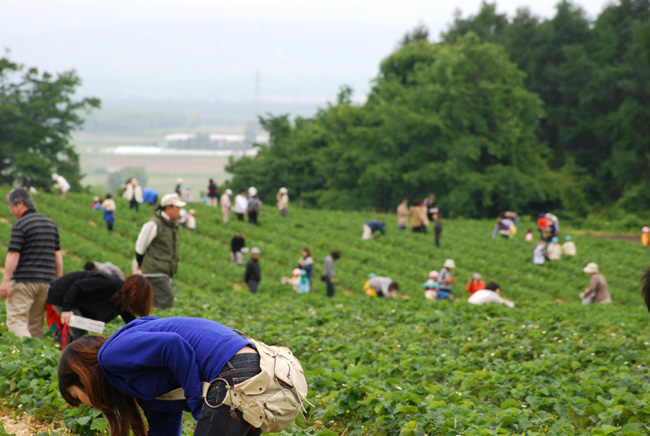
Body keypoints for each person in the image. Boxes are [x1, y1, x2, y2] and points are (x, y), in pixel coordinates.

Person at [57, 316, 299, 436]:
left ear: (83, 377)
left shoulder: (110, 356)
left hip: (233, 374)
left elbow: (173, 346)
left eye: (78, 398)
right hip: (255, 369)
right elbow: (165, 426)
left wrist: (198, 407)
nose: (86, 405)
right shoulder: (139, 384)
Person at [1, 187, 63, 338]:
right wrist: (58, 281)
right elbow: (58, 256)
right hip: (46, 283)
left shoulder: (21, 224)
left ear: (21, 204)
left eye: (11, 206)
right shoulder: (50, 223)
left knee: (17, 321)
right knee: (35, 324)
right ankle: (34, 356)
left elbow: (14, 253)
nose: (11, 211)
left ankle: (25, 351)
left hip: (24, 281)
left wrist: (6, 280)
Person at [47, 273, 152, 340]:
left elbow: (129, 319)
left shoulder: (120, 300)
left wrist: (146, 330)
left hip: (74, 300)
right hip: (61, 293)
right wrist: (66, 309)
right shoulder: (108, 283)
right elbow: (77, 286)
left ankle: (74, 354)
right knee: (80, 332)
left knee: (81, 334)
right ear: (133, 290)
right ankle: (75, 359)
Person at [134, 193, 185, 309]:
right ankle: (162, 325)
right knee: (167, 297)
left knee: (154, 302)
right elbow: (140, 245)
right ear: (168, 208)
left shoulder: (172, 226)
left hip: (163, 270)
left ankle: (153, 323)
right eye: (177, 208)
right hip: (154, 270)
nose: (179, 211)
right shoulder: (154, 224)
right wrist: (140, 263)